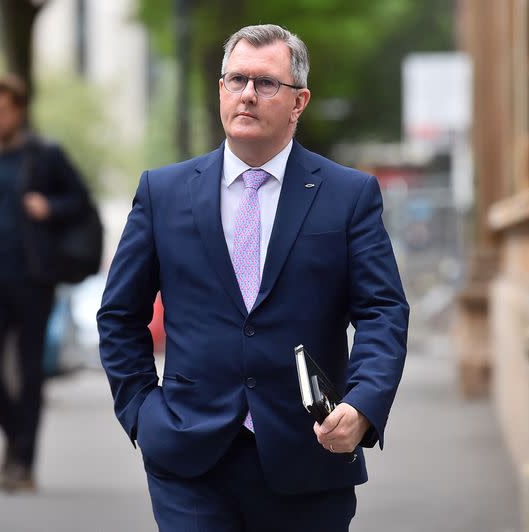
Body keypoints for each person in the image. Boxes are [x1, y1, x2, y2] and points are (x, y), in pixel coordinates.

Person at [98, 24, 409, 531]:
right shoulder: (163, 193)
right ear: (220, 89)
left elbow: (383, 311)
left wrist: (363, 404)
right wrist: (141, 412)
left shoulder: (347, 196)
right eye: (235, 79)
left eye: (266, 83)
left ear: (299, 101)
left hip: (310, 454)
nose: (247, 94)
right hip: (188, 458)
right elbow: (119, 315)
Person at [0, 75, 91, 492]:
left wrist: (50, 206)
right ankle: (16, 437)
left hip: (32, 279)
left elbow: (79, 200)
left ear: (19, 111)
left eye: (2, 111)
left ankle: (23, 464)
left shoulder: (45, 155)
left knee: (29, 372)